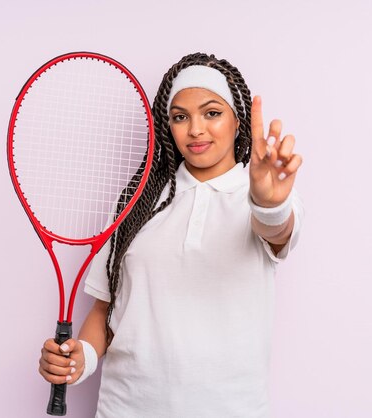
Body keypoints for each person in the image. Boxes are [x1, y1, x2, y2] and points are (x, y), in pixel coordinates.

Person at [38, 52, 305, 417]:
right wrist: (78, 359)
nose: (195, 129)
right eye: (180, 117)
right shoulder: (138, 202)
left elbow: (277, 229)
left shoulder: (264, 194)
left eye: (212, 113)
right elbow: (106, 309)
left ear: (238, 122)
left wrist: (268, 200)